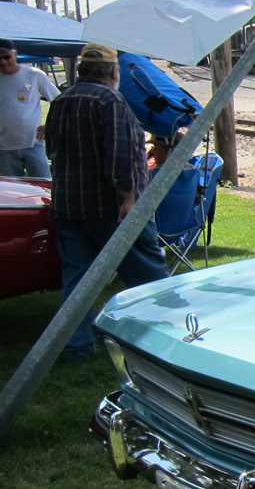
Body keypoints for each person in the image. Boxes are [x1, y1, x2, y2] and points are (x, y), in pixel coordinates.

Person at [46, 43, 168, 363]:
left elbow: (51, 151)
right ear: (114, 73)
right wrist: (129, 197)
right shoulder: (111, 100)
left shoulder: (60, 101)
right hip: (108, 208)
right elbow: (123, 153)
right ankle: (174, 339)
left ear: (82, 71)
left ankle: (74, 347)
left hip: (67, 205)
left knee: (79, 280)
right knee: (149, 276)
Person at [0, 38, 60, 178]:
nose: (3, 62)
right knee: (13, 193)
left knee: (43, 187)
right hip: (4, 148)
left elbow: (60, 101)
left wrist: (50, 124)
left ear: (15, 54)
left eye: (6, 57)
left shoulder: (34, 75)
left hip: (33, 143)